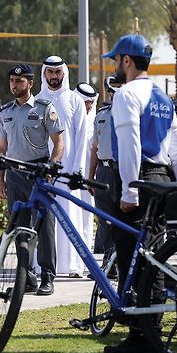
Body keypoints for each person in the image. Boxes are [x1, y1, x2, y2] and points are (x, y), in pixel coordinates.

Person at [101, 34, 177, 353]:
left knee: (132, 257)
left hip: (140, 180)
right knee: (156, 257)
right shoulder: (163, 98)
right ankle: (154, 329)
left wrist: (128, 189)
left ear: (126, 60)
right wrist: (176, 185)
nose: (114, 66)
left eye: (115, 60)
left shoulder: (126, 95)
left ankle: (141, 335)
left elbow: (131, 146)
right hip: (162, 180)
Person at [0, 63, 64, 296]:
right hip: (14, 174)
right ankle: (27, 277)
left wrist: (51, 167)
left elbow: (59, 142)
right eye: (12, 81)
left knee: (44, 227)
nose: (15, 85)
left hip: (39, 172)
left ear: (30, 83)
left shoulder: (45, 108)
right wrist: (0, 179)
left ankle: (47, 276)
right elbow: (1, 148)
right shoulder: (5, 111)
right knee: (19, 228)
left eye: (20, 81)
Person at [36, 56, 88, 278]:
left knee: (69, 216)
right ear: (44, 74)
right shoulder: (36, 100)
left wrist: (77, 170)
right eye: (50, 72)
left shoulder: (74, 100)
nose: (54, 77)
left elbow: (83, 136)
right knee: (44, 217)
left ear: (64, 74)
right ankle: (44, 266)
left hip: (67, 171)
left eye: (58, 72)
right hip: (43, 169)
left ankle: (72, 265)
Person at [88, 76, 120, 273]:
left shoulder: (133, 113)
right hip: (105, 170)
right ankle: (109, 262)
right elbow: (95, 147)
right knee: (105, 218)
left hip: (123, 170)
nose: (116, 93)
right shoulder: (101, 115)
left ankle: (119, 260)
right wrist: (91, 176)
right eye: (114, 90)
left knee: (121, 217)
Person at [74, 82, 99, 276]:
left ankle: (84, 260)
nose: (88, 106)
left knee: (86, 217)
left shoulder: (96, 120)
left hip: (89, 178)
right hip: (72, 174)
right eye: (85, 102)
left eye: (91, 102)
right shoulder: (72, 116)